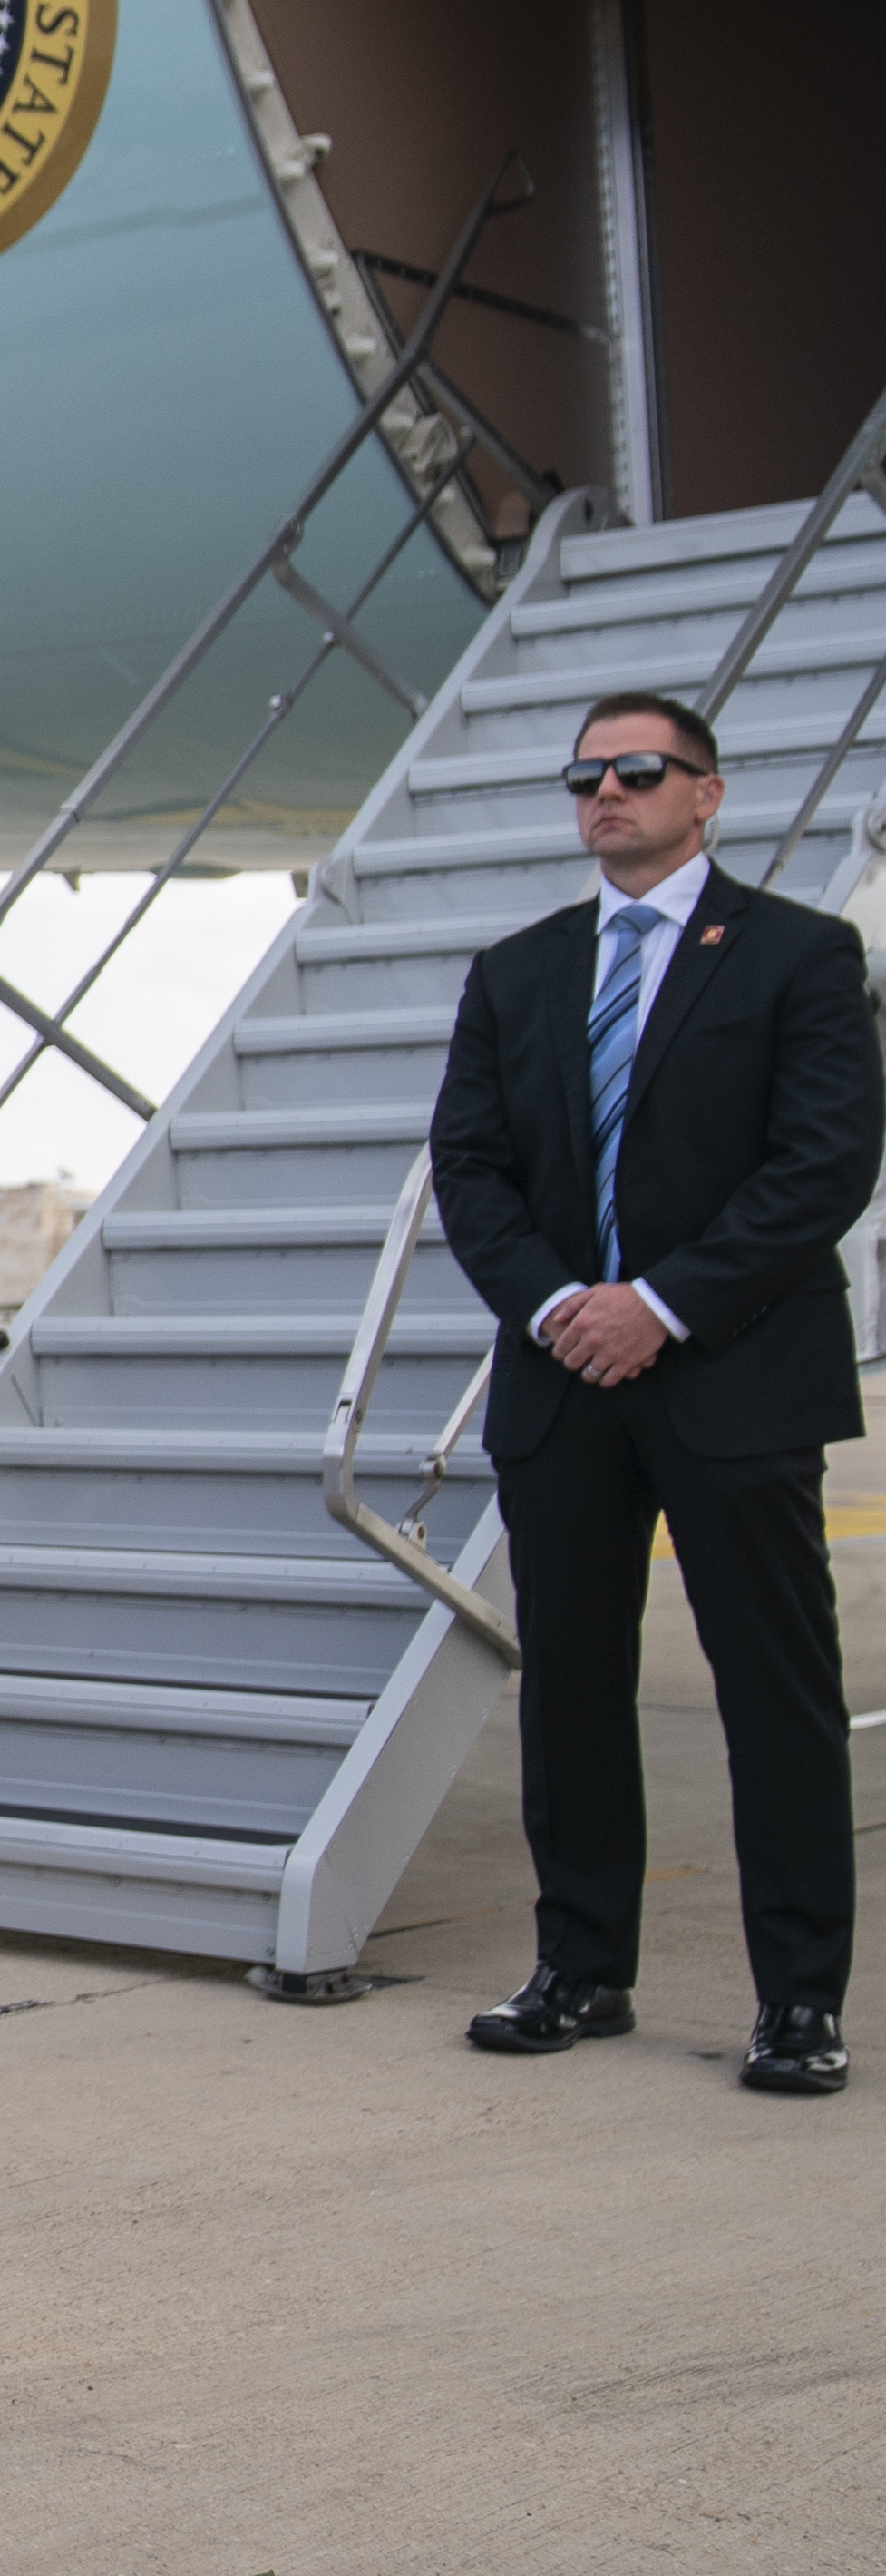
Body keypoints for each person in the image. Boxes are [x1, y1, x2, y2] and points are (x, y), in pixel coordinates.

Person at [429, 685, 877, 2098]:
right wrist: (565, 1307)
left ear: (706, 793)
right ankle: (579, 1969)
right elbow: (471, 1169)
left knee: (775, 1695)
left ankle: (798, 2002)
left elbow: (822, 1164)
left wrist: (659, 1306)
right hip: (564, 1379)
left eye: (634, 770)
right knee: (566, 1690)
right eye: (583, 778)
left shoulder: (802, 955)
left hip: (731, 1370)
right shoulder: (515, 971)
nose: (603, 794)